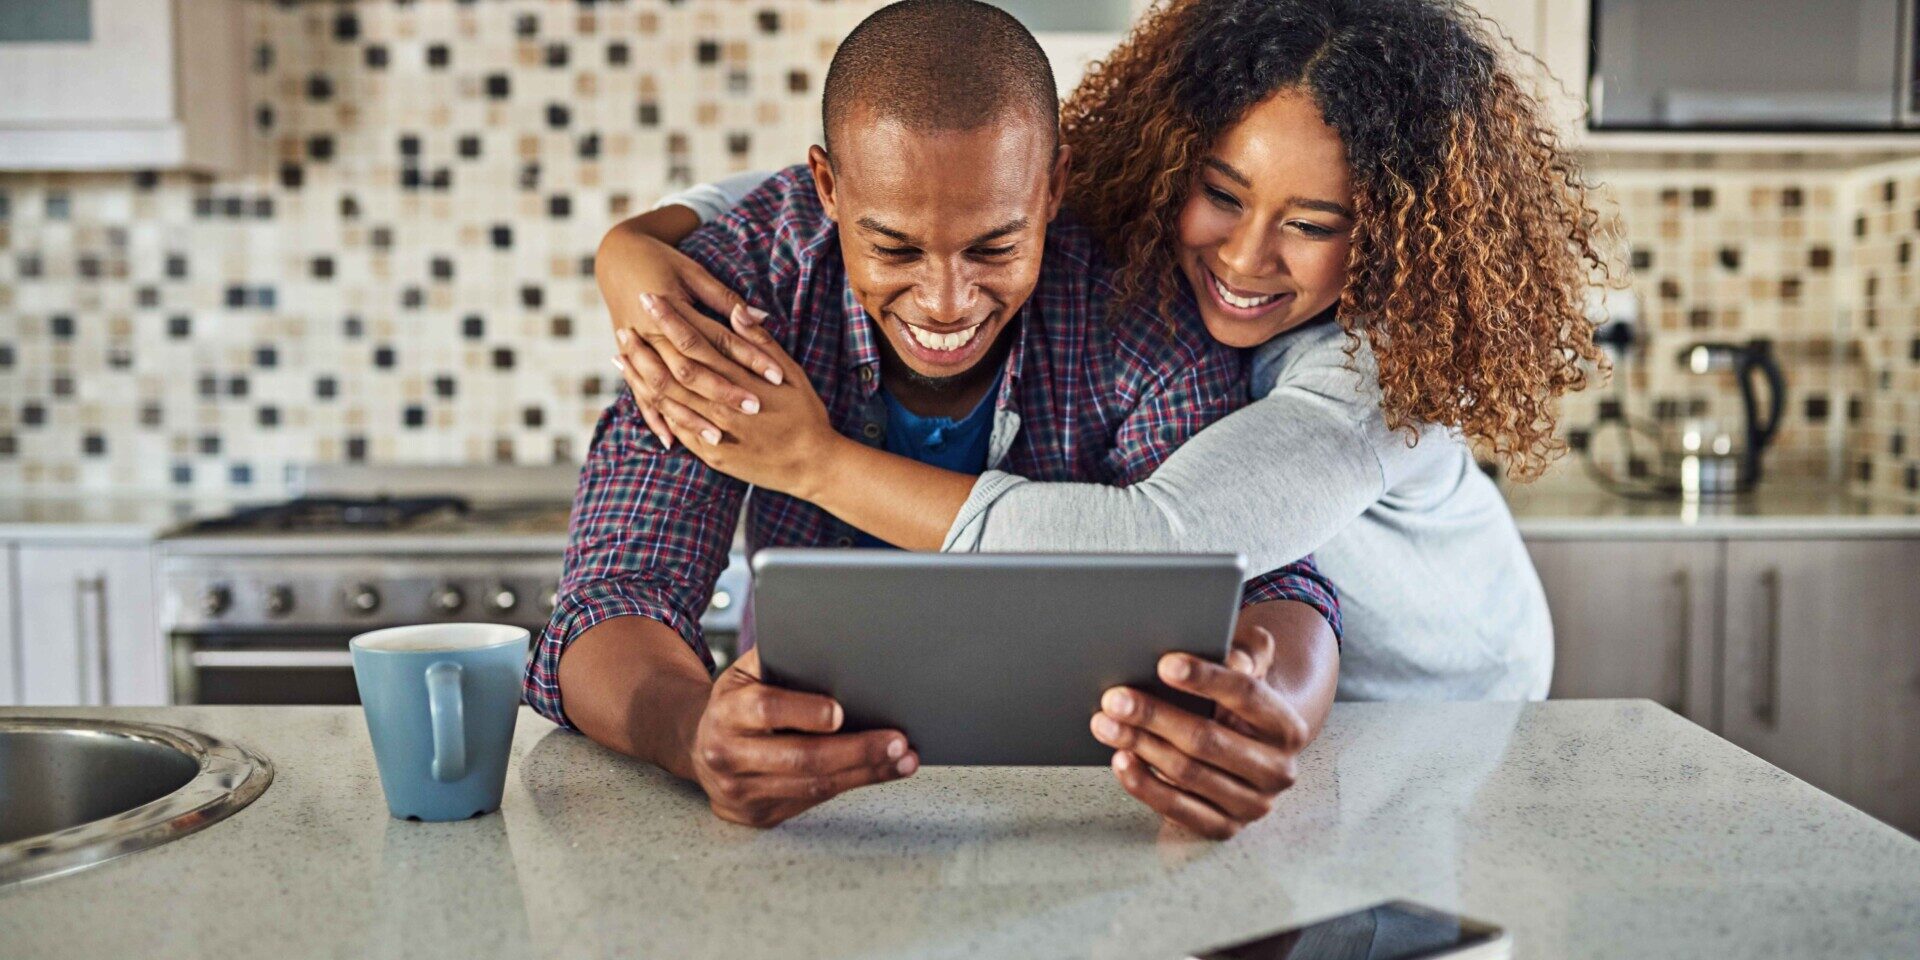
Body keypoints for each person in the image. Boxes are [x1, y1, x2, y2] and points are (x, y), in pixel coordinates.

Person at [597, 0, 1612, 703]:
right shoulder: (1130, 259)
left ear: (1393, 222)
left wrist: (810, 462)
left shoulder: (1373, 376)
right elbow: (883, 194)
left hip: (1452, 709)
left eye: (1311, 222)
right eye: (1221, 192)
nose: (1245, 255)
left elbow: (1162, 541)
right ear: (1172, 158)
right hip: (1302, 715)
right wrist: (635, 243)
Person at [535, 0, 1342, 839]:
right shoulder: (736, 291)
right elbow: (617, 591)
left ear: (1055, 185)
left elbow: (1272, 579)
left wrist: (1262, 706)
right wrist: (693, 734)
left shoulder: (1137, 297)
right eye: (896, 250)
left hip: (1080, 818)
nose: (946, 303)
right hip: (817, 823)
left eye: (994, 247)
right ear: (828, 189)